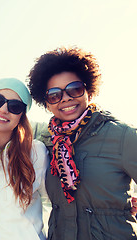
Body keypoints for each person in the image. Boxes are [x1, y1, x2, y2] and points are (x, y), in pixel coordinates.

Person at [27, 46, 137, 239]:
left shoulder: (122, 136)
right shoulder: (47, 143)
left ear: (88, 90)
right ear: (47, 103)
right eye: (55, 94)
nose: (66, 98)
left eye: (74, 89)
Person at [0, 78, 49, 240]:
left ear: (22, 116)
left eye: (14, 106)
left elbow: (56, 204)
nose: (3, 109)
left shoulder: (35, 152)